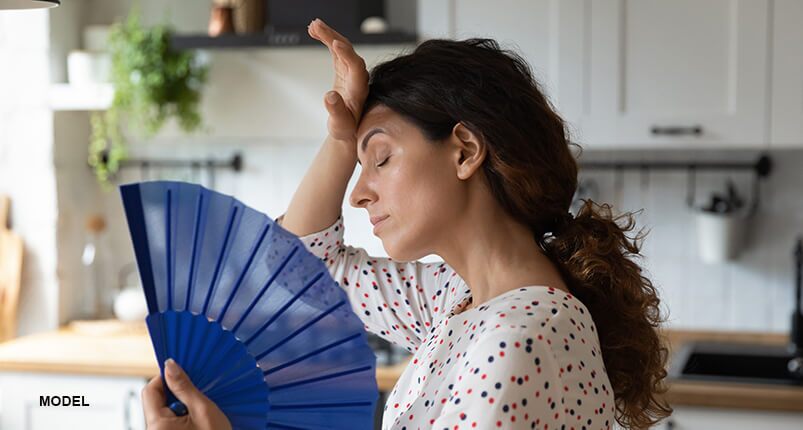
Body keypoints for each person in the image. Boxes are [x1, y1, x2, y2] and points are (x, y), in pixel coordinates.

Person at [142, 18, 672, 430]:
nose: (358, 191)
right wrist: (340, 140)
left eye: (381, 159)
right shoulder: (457, 298)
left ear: (464, 151)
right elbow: (299, 270)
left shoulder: (517, 340)